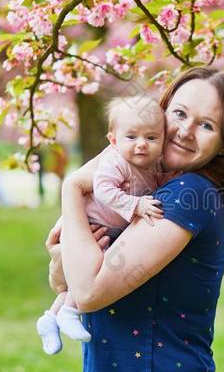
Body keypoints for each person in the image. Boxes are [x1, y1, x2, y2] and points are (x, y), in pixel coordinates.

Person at [45, 67, 224, 372]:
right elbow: (66, 281)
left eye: (206, 125)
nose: (184, 131)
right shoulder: (146, 189)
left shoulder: (190, 194)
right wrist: (61, 260)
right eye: (178, 113)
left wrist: (73, 187)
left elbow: (89, 291)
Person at [37, 96, 168, 354]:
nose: (142, 144)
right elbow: (104, 190)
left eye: (151, 138)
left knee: (88, 269)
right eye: (132, 137)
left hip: (105, 228)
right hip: (89, 223)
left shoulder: (151, 167)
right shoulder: (116, 161)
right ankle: (70, 311)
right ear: (114, 140)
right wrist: (135, 205)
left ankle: (50, 319)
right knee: (96, 265)